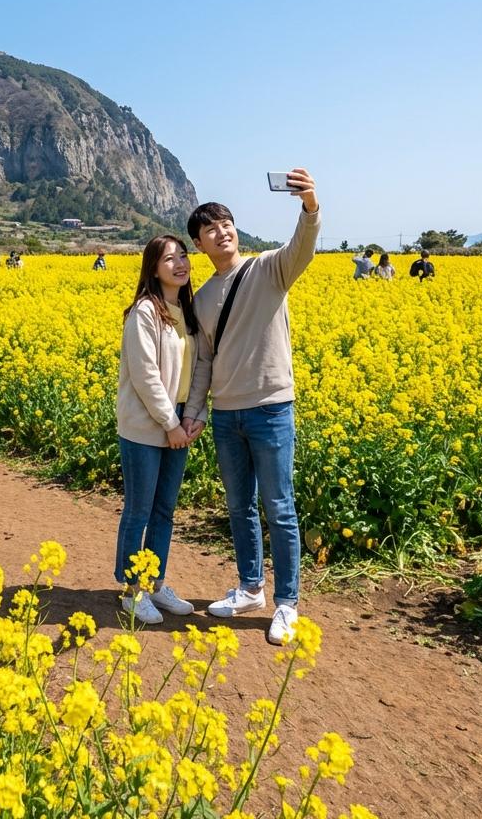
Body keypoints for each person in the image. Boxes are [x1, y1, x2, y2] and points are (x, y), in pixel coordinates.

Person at [183, 167, 320, 645]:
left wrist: (309, 206)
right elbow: (204, 361)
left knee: (279, 507)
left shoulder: (268, 268)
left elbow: (302, 247)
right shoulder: (202, 298)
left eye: (226, 224)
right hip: (226, 414)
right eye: (210, 229)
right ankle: (250, 588)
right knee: (239, 507)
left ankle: (287, 603)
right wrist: (195, 411)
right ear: (199, 244)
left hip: (270, 408)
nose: (221, 232)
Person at [114, 234, 200, 625]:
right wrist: (170, 423)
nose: (180, 263)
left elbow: (197, 369)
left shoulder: (187, 312)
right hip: (146, 424)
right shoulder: (144, 311)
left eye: (183, 255)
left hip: (178, 420)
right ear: (153, 267)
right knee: (140, 510)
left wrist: (190, 416)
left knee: (165, 510)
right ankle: (132, 590)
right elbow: (146, 375)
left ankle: (156, 582)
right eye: (169, 259)